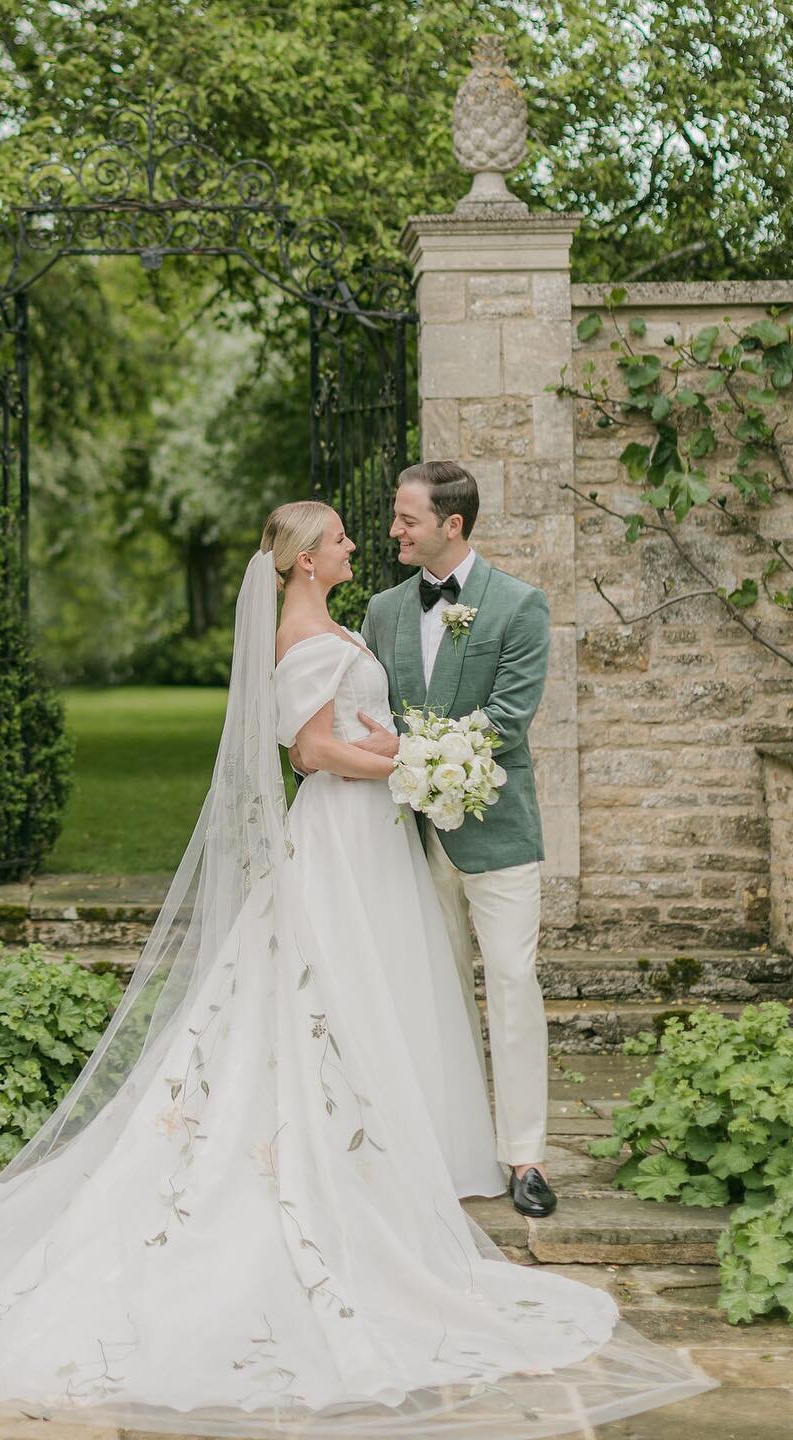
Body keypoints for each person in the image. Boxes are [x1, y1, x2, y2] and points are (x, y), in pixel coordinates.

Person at [0, 500, 712, 1438]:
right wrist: (416, 758)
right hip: (340, 834)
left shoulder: (330, 619)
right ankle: (326, 1169)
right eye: (337, 539)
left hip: (366, 837)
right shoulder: (308, 631)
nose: (356, 548)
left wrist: (410, 755)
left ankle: (384, 1149)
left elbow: (343, 737)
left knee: (353, 999)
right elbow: (314, 751)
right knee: (320, 998)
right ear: (304, 558)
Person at [291, 461, 557, 1219]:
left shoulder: (518, 606)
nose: (392, 531)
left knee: (510, 984)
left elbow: (505, 722)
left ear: (453, 525)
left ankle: (525, 1156)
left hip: (497, 832)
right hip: (404, 839)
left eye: (407, 519)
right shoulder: (379, 610)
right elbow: (361, 709)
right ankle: (446, 1147)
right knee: (434, 996)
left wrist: (414, 758)